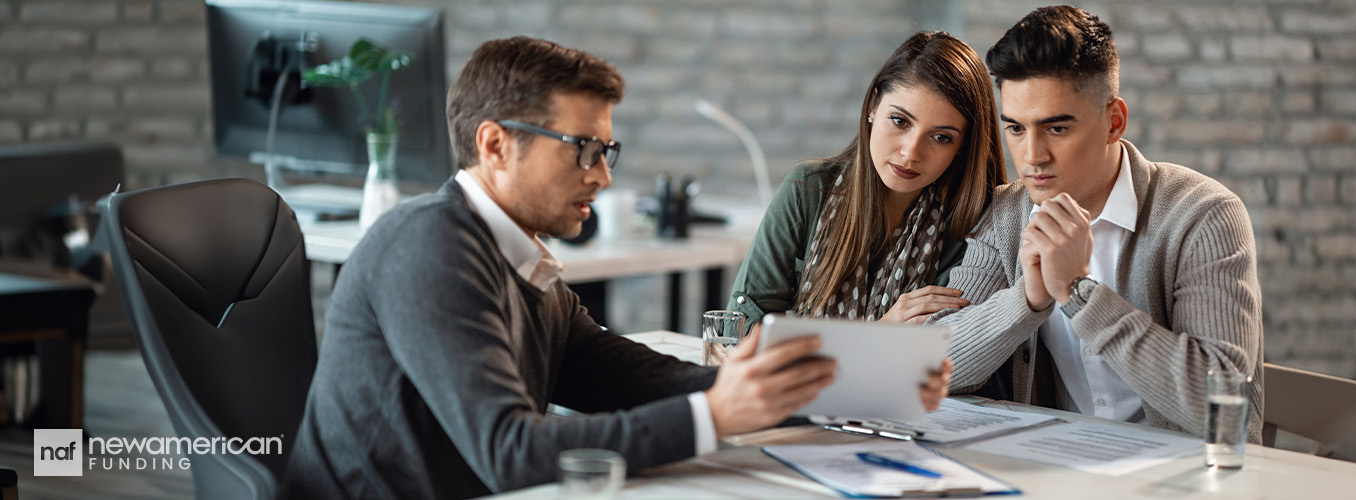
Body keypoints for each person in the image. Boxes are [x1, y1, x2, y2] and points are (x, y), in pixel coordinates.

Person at [280, 37, 949, 499]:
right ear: (495, 145)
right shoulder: (428, 249)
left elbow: (613, 371)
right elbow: (509, 451)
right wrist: (715, 413)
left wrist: (789, 389)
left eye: (607, 150)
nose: (601, 174)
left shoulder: (520, 258)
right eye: (582, 149)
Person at [929, 6, 1266, 443]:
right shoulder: (1005, 215)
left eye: (1056, 128)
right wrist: (1028, 299)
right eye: (1015, 128)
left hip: (1184, 479)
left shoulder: (1204, 215)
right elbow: (932, 367)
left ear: (1114, 121)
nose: (1032, 156)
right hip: (1057, 470)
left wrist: (1078, 294)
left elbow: (1226, 405)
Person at [727, 31, 1008, 327]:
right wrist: (882, 332)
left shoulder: (975, 223)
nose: (911, 152)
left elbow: (950, 355)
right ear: (874, 105)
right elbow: (741, 331)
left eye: (941, 137)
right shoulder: (808, 189)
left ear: (964, 145)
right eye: (900, 121)